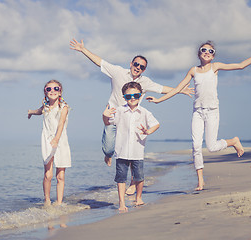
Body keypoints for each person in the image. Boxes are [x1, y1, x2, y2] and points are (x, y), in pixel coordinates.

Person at [70, 38, 193, 195]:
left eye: (142, 67)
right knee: (108, 148)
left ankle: (133, 182)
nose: (138, 68)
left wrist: (181, 90)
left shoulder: (145, 82)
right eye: (136, 64)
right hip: (114, 116)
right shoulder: (118, 72)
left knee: (132, 153)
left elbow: (162, 89)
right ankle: (108, 154)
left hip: (132, 119)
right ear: (131, 64)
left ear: (144, 70)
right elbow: (99, 62)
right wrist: (83, 50)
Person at [147, 41, 251, 191]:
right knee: (196, 146)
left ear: (213, 55)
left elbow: (240, 65)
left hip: (212, 111)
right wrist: (159, 100)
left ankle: (233, 141)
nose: (207, 52)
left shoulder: (215, 67)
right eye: (204, 50)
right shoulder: (193, 70)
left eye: (211, 51)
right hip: (197, 112)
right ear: (199, 53)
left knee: (212, 147)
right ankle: (200, 181)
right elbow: (178, 88)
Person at [103, 81, 160, 212]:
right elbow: (108, 123)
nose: (132, 98)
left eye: (135, 95)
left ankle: (138, 198)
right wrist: (104, 115)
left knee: (139, 177)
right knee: (121, 178)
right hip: (121, 151)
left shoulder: (144, 112)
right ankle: (122, 203)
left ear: (140, 96)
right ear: (124, 97)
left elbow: (156, 124)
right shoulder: (119, 111)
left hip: (137, 151)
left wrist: (148, 131)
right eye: (128, 96)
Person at [28, 80, 71, 206]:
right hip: (47, 141)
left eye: (55, 88)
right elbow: (38, 111)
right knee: (48, 174)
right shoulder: (45, 108)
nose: (52, 91)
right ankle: (47, 200)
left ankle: (59, 202)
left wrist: (57, 139)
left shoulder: (64, 108)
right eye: (49, 89)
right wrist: (30, 112)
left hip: (60, 141)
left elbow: (61, 124)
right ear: (45, 92)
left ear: (60, 91)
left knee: (60, 176)